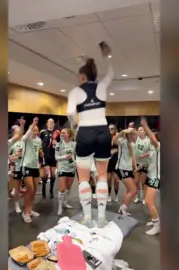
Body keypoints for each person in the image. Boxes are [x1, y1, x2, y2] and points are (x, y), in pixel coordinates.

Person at [66, 41, 114, 228]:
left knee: (84, 177)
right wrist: (107, 56)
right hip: (103, 131)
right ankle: (101, 217)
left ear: (82, 76)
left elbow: (70, 113)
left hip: (85, 131)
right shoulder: (101, 86)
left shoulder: (75, 92)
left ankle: (87, 217)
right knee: (102, 175)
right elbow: (111, 73)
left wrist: (74, 125)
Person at [140, 118, 160, 235]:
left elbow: (152, 138)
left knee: (148, 201)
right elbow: (150, 154)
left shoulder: (159, 146)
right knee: (149, 199)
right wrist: (143, 157)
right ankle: (155, 221)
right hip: (150, 174)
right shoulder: (154, 149)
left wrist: (145, 126)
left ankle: (157, 226)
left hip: (155, 177)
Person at [113, 128, 138, 216]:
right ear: (130, 135)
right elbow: (114, 140)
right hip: (122, 168)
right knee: (133, 190)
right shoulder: (122, 142)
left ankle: (123, 208)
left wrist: (135, 168)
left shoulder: (133, 144)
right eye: (134, 134)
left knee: (128, 190)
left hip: (128, 169)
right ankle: (122, 208)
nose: (136, 136)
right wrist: (122, 132)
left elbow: (133, 157)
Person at [21, 117, 42, 223]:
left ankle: (29, 210)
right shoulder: (27, 139)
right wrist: (32, 124)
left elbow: (37, 153)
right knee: (30, 189)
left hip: (35, 167)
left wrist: (39, 164)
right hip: (26, 165)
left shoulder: (39, 140)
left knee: (34, 191)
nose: (34, 131)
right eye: (33, 130)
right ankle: (25, 212)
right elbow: (24, 138)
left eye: (36, 130)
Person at [55, 128, 76, 216]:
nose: (62, 134)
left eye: (64, 133)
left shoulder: (74, 144)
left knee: (68, 188)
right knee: (62, 188)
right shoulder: (59, 145)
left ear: (69, 134)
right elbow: (56, 157)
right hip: (62, 168)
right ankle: (59, 207)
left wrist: (75, 162)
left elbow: (75, 155)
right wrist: (64, 157)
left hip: (71, 168)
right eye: (61, 133)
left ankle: (65, 202)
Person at [39, 118, 60, 198]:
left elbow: (60, 144)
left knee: (53, 174)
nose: (51, 123)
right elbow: (39, 142)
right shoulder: (43, 132)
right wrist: (40, 152)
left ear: (54, 124)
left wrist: (57, 143)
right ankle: (43, 188)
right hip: (45, 156)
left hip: (53, 156)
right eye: (49, 122)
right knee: (46, 173)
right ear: (47, 123)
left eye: (52, 122)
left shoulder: (57, 132)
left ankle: (51, 189)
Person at [134, 126, 152, 204]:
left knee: (143, 182)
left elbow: (151, 151)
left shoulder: (148, 140)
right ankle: (138, 197)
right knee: (136, 181)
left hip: (145, 163)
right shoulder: (135, 139)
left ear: (145, 132)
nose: (139, 131)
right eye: (138, 130)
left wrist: (144, 155)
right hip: (137, 163)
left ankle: (144, 198)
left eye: (141, 130)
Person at [107, 124, 120, 203]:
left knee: (116, 180)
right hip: (108, 160)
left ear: (115, 129)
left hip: (116, 160)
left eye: (112, 128)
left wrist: (116, 151)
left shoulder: (118, 137)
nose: (110, 130)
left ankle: (116, 195)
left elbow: (122, 147)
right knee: (108, 179)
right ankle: (108, 195)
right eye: (109, 128)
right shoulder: (106, 138)